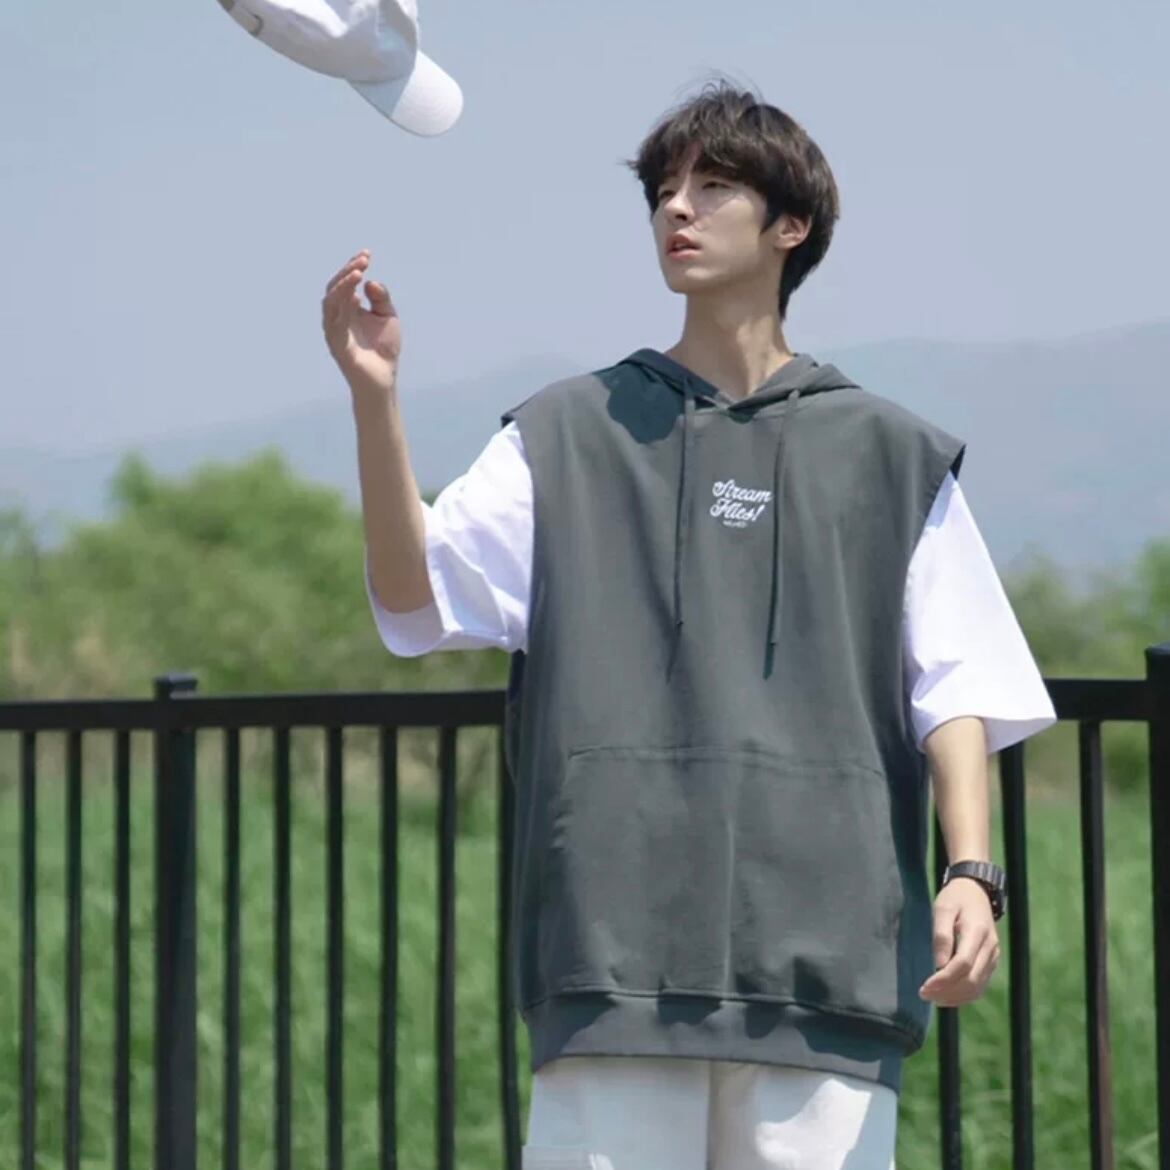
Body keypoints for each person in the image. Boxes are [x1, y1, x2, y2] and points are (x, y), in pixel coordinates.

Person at [323, 79, 1057, 1170]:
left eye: (714, 186)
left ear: (791, 225)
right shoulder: (568, 431)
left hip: (828, 962)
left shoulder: (890, 454)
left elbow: (954, 687)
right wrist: (374, 397)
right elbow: (412, 597)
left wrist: (971, 872)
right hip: (611, 954)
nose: (677, 207)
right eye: (665, 189)